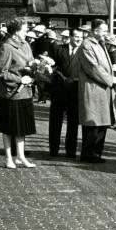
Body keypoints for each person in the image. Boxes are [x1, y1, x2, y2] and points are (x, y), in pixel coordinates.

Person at [0, 18, 42, 169]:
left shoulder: (26, 44)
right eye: (24, 29)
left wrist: (36, 67)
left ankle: (21, 157)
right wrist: (20, 79)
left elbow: (30, 63)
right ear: (15, 32)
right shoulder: (6, 47)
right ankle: (9, 158)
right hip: (11, 94)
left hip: (25, 93)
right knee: (9, 128)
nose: (27, 32)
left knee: (22, 128)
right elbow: (0, 72)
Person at [77, 19, 116, 163]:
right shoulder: (87, 45)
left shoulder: (99, 44)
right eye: (104, 31)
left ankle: (96, 154)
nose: (107, 34)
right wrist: (110, 80)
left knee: (102, 123)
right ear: (95, 31)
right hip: (93, 89)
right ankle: (88, 154)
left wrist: (110, 80)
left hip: (102, 89)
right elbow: (93, 68)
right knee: (93, 123)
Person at [49, 28, 82, 158]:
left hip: (75, 91)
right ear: (71, 37)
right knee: (55, 122)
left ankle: (71, 151)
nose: (79, 39)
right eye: (77, 36)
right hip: (59, 91)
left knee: (73, 123)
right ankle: (53, 150)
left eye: (81, 37)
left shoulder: (83, 52)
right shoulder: (59, 49)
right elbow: (52, 67)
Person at [105, 34, 116, 127]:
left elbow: (115, 69)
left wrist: (113, 80)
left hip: (114, 80)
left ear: (111, 45)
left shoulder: (114, 55)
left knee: (114, 101)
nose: (106, 46)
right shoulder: (114, 53)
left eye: (107, 44)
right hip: (113, 79)